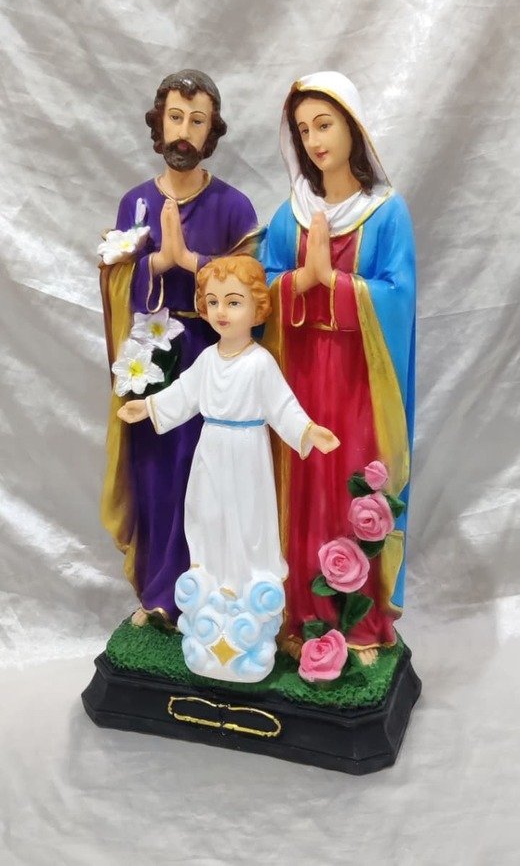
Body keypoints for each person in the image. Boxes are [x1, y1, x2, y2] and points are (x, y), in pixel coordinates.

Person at [118, 255, 339, 682]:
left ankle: (245, 594)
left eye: (234, 302)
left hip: (247, 453)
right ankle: (211, 588)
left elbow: (282, 406)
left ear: (257, 309)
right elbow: (183, 394)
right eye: (214, 301)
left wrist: (308, 431)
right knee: (207, 517)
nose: (221, 311)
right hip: (212, 451)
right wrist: (147, 407)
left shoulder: (259, 363)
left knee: (248, 523)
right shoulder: (207, 359)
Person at [259, 71, 416, 665]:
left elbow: (399, 296)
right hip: (299, 375)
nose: (315, 140)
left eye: (324, 125)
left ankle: (361, 623)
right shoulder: (291, 214)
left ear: (353, 128)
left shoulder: (386, 213)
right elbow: (262, 288)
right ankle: (300, 615)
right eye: (304, 130)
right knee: (303, 489)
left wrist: (336, 283)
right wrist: (302, 280)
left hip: (357, 380)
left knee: (354, 483)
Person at [100, 70, 261, 628]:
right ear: (159, 123)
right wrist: (156, 264)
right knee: (155, 474)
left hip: (213, 357)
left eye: (197, 121)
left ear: (211, 131)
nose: (184, 132)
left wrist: (192, 263)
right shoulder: (136, 202)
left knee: (206, 472)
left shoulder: (234, 207)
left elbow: (255, 286)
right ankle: (159, 594)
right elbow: (114, 282)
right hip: (153, 357)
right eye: (175, 117)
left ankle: (210, 589)